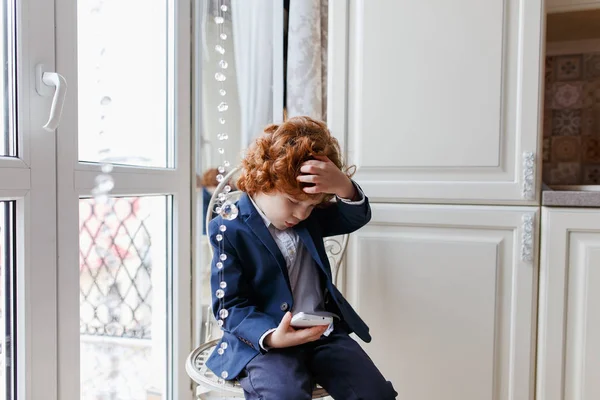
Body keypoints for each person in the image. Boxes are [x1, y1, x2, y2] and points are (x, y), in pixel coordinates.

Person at [206, 116, 397, 399]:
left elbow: (354, 216)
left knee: (374, 393)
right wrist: (271, 336)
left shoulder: (310, 218)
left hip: (321, 333)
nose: (302, 214)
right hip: (267, 342)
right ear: (263, 180)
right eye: (294, 202)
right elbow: (229, 306)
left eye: (312, 205)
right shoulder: (229, 228)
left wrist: (343, 185)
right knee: (285, 394)